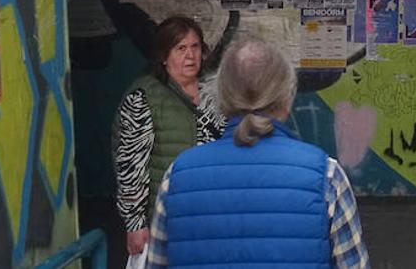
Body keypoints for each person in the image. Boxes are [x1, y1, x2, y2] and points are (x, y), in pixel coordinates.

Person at [146, 37, 370, 269]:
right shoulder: (326, 176)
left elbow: (155, 264)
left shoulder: (177, 176)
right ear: (287, 97)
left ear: (221, 98)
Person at [113, 16, 226, 265]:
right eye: (181, 48)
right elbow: (131, 168)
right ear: (164, 56)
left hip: (213, 215)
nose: (190, 56)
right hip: (165, 219)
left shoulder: (215, 92)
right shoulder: (144, 98)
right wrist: (135, 223)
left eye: (195, 47)